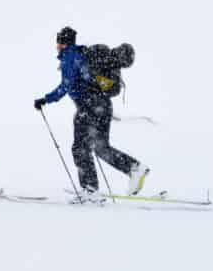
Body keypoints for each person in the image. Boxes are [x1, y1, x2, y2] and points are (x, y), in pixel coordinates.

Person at [33, 26, 148, 200]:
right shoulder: (83, 56)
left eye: (58, 42)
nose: (57, 46)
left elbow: (66, 85)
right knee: (101, 148)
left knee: (80, 148)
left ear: (63, 43)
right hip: (103, 106)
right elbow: (88, 79)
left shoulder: (70, 57)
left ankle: (90, 190)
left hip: (88, 107)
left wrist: (46, 99)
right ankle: (134, 168)